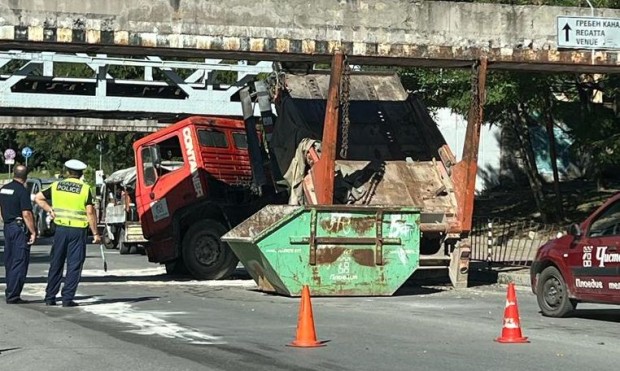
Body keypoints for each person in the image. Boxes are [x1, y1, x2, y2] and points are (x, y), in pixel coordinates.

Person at [34, 159, 101, 307]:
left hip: (60, 229)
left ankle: (50, 296)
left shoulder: (56, 185)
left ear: (67, 172)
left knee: (56, 263)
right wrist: (96, 233)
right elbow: (90, 212)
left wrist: (50, 209)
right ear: (81, 173)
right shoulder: (85, 188)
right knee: (74, 264)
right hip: (78, 231)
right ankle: (67, 298)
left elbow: (38, 198)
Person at [0, 164, 37, 304]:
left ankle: (10, 290)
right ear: (26, 176)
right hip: (19, 228)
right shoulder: (22, 191)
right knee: (19, 261)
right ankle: (13, 295)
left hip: (8, 227)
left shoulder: (4, 189)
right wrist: (33, 232)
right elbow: (26, 213)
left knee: (10, 260)